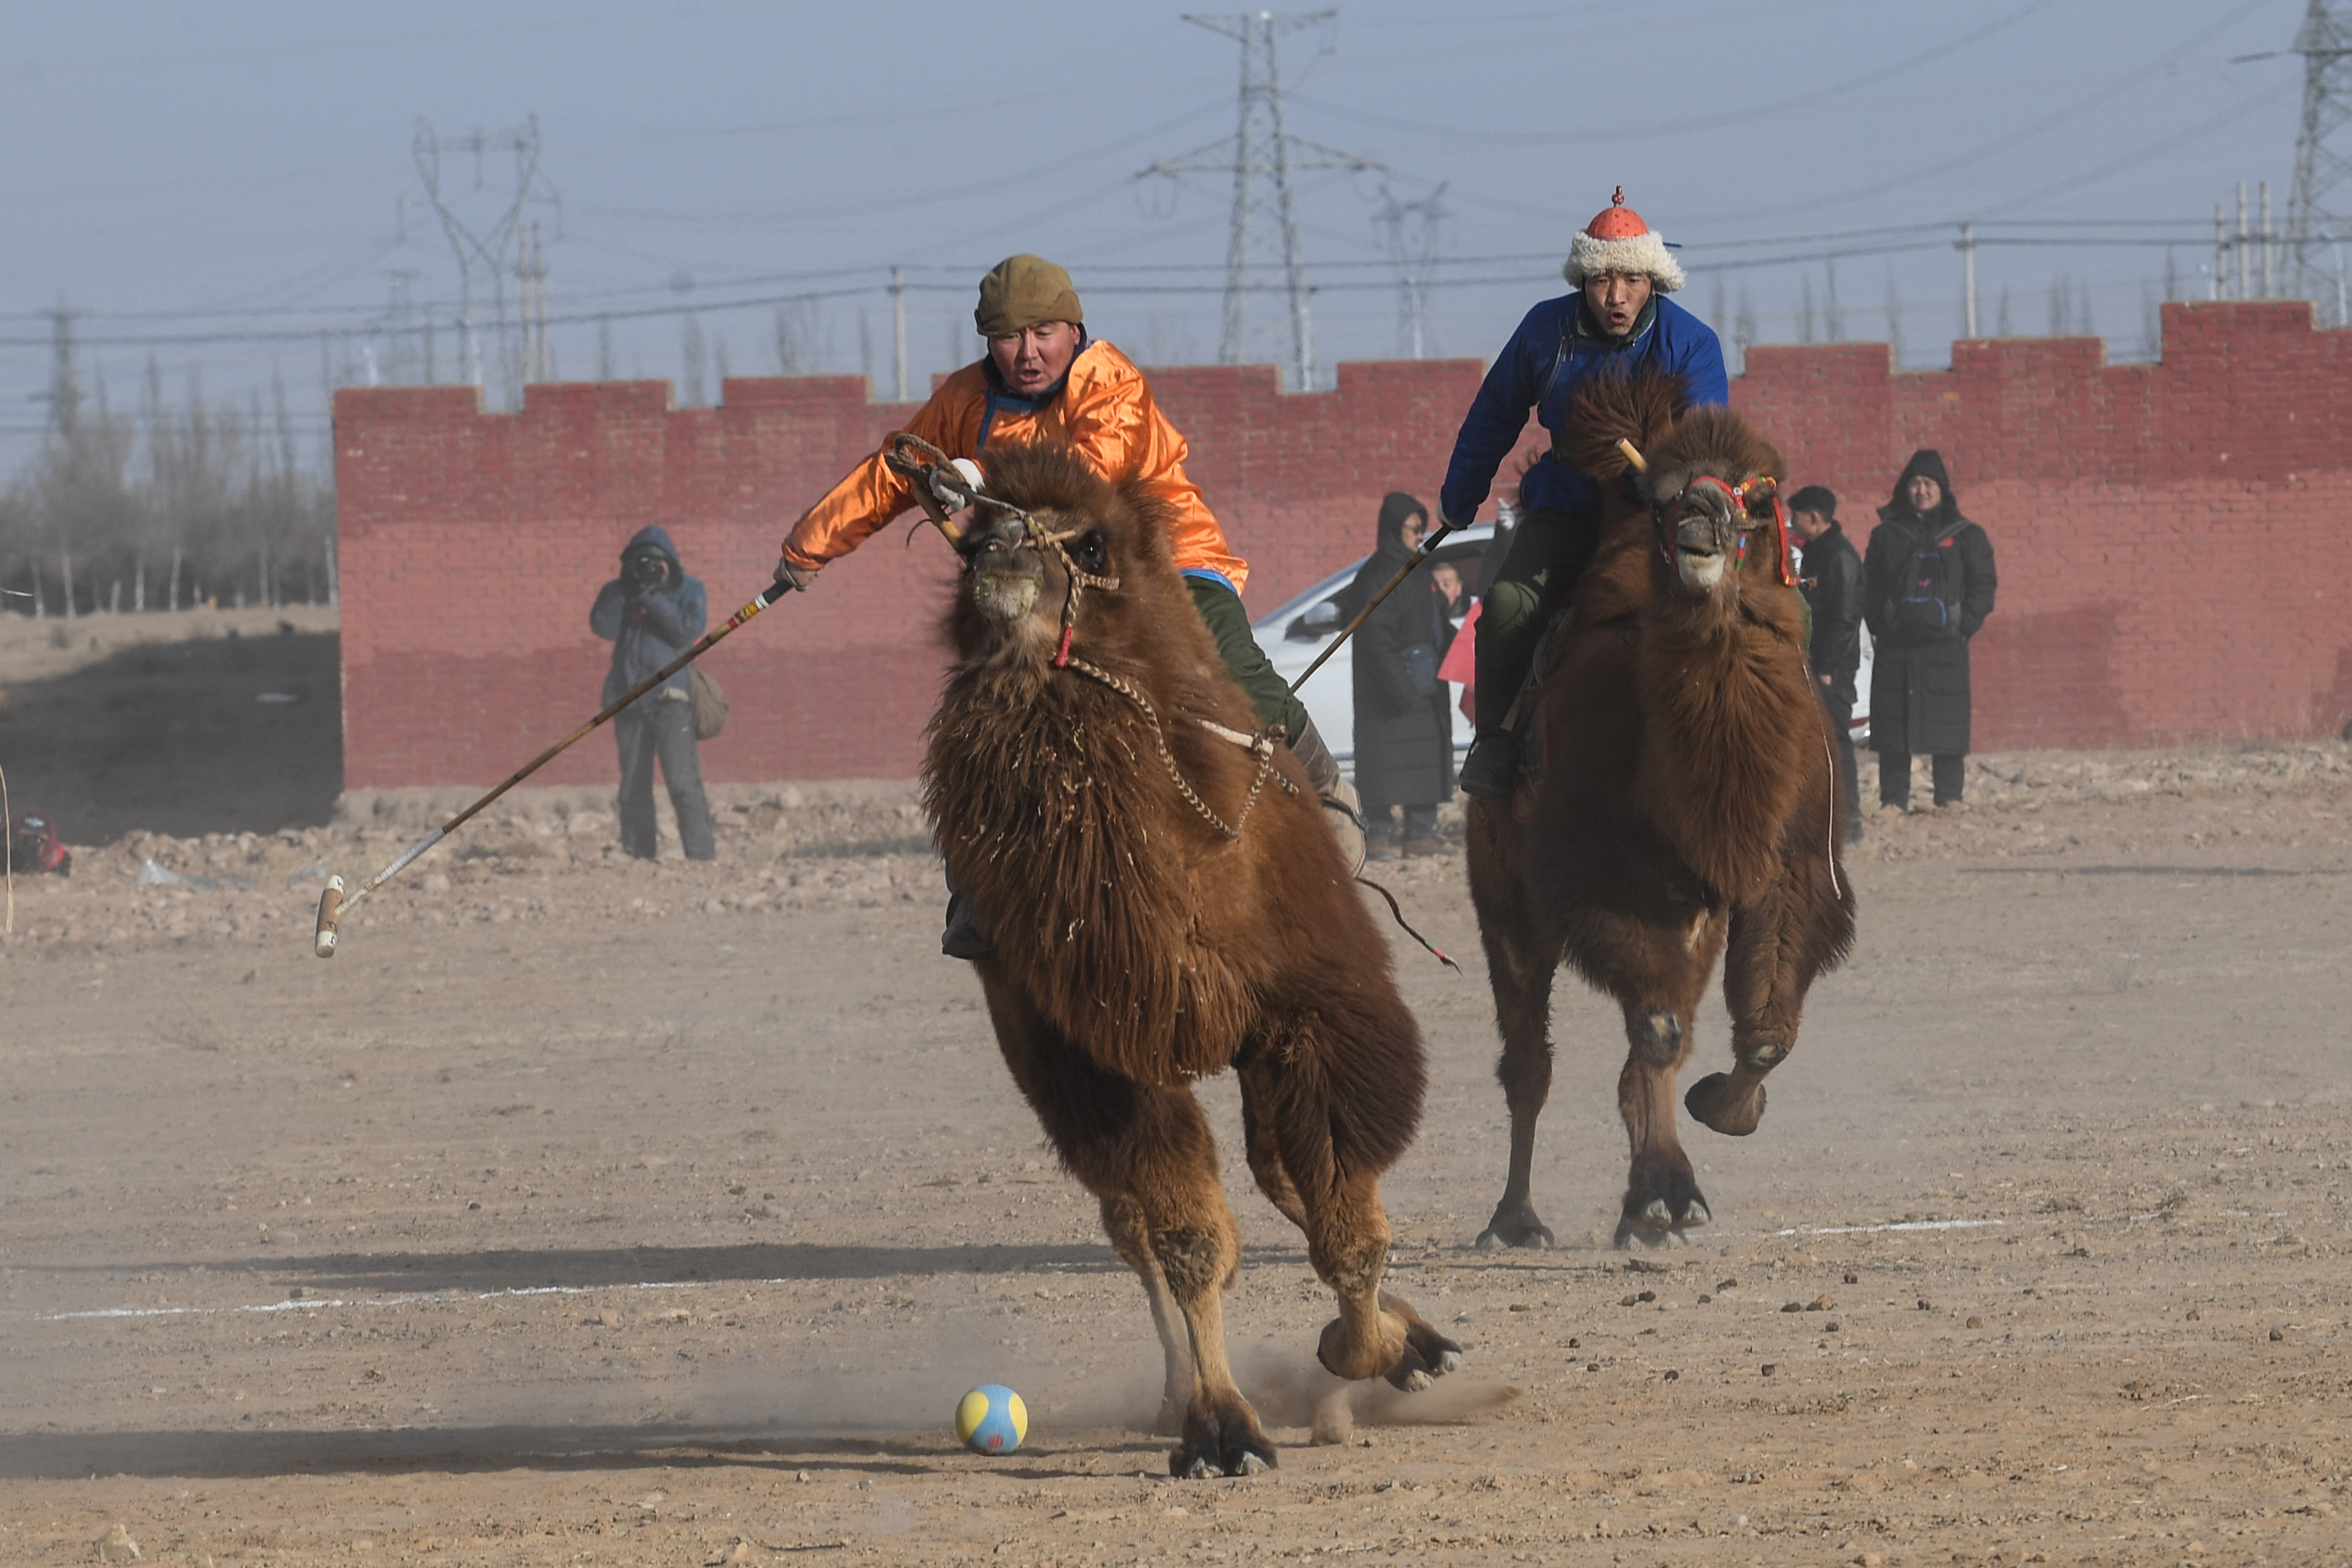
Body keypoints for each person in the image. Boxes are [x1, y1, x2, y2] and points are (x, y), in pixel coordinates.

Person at [771, 254, 1359, 953]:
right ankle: (979, 892)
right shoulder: (963, 400)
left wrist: (983, 470)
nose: (1028, 354)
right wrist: (807, 548)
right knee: (983, 711)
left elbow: (1090, 467)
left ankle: (1329, 794)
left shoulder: (1109, 378)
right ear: (987, 342)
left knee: (1231, 669)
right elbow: (896, 469)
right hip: (1046, 584)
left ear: (1073, 328)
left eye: (1044, 332)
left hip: (1161, 559)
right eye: (1009, 337)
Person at [1438, 188, 1729, 798]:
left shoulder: (1692, 343)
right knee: (1510, 608)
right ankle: (1494, 739)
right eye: (1600, 280)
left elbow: (1706, 441)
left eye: (1629, 279)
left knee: (1733, 607)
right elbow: (1494, 414)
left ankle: (1739, 737)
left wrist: (1663, 475)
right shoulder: (1545, 332)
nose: (1614, 296)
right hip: (1568, 505)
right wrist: (1459, 497)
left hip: (1659, 513)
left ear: (1653, 279)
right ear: (1582, 280)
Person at [1861, 450, 1997, 810]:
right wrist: (1882, 624)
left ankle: (1949, 797)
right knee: (1893, 726)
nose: (1921, 490)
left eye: (1929, 484)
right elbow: (1869, 586)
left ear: (1942, 489)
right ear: (1905, 488)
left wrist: (1964, 626)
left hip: (1946, 645)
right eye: (1915, 483)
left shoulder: (1968, 536)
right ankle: (1893, 799)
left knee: (1947, 724)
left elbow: (1984, 586)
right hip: (1896, 644)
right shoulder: (1886, 535)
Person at [590, 526, 716, 861]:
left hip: (670, 699)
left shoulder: (688, 589)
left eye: (655, 563)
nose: (647, 569)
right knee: (633, 785)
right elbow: (602, 627)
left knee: (682, 781)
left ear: (670, 565)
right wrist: (626, 590)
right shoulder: (619, 591)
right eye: (640, 562)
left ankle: (701, 857)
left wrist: (655, 598)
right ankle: (638, 856)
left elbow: (685, 633)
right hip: (628, 699)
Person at [1346, 492, 1456, 859]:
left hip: (1425, 690)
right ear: (1394, 529)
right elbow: (1376, 640)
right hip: (1390, 694)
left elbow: (1438, 620)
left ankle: (1420, 833)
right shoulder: (1379, 576)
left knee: (1425, 762)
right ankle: (1378, 836)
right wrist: (1402, 690)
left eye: (1422, 529)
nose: (1419, 536)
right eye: (1413, 529)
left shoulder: (1418, 573)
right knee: (1382, 768)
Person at [1788, 485, 1865, 844]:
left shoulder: (1840, 557)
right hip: (1814, 660)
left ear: (1814, 517)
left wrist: (1829, 666)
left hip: (1833, 667)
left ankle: (1850, 823)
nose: (1791, 524)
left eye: (1796, 517)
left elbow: (1845, 618)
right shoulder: (1818, 553)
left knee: (1836, 739)